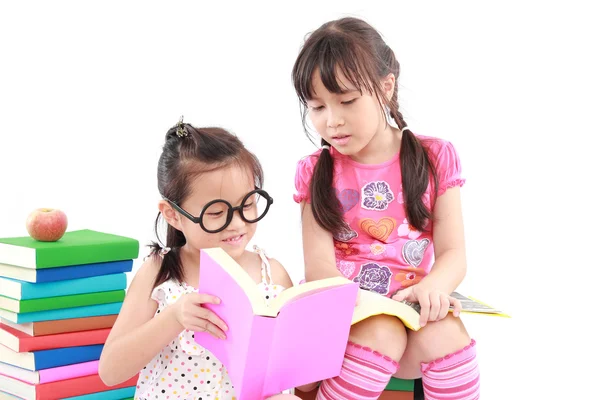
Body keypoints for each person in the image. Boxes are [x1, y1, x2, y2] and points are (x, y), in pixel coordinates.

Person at [292, 17, 480, 400]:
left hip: (411, 309)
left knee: (448, 336)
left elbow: (453, 254)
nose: (332, 120)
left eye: (346, 101)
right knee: (382, 330)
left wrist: (432, 289)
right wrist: (360, 304)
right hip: (347, 316)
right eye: (317, 107)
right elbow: (319, 268)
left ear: (386, 87)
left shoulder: (434, 157)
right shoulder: (315, 171)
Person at [98, 119, 300, 400]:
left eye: (248, 204)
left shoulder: (272, 275)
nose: (238, 224)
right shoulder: (162, 273)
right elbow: (110, 370)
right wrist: (174, 317)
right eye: (217, 213)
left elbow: (292, 368)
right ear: (173, 215)